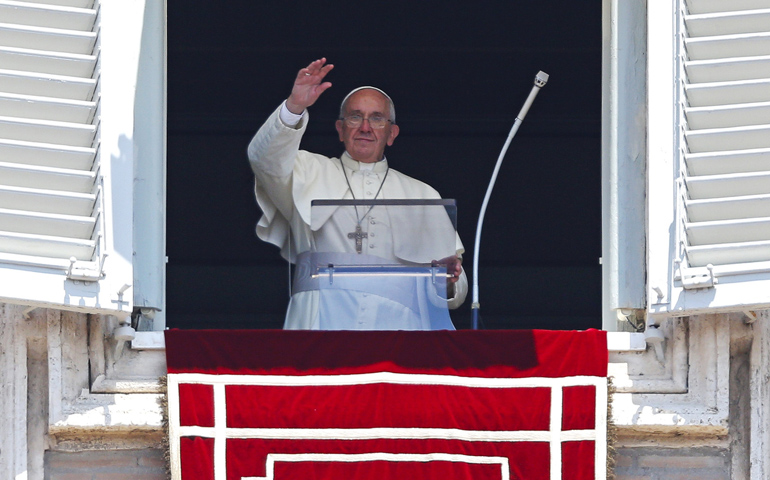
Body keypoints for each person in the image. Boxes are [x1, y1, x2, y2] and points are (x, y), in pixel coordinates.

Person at [247, 58, 467, 330]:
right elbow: (263, 160)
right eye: (355, 117)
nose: (365, 127)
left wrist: (446, 279)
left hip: (398, 331)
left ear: (391, 133)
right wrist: (294, 107)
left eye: (377, 118)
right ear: (340, 130)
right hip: (319, 326)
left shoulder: (423, 193)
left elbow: (456, 291)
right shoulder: (306, 170)